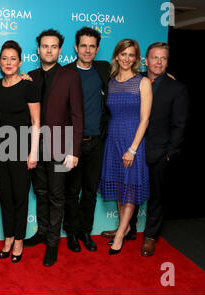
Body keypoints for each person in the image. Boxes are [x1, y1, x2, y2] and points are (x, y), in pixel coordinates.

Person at [23, 29, 84, 266]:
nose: (49, 50)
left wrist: (74, 150)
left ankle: (52, 243)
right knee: (41, 192)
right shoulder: (30, 77)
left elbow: (78, 116)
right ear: (38, 50)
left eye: (54, 46)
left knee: (57, 196)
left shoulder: (71, 77)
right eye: (45, 46)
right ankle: (41, 232)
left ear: (60, 50)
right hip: (35, 146)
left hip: (61, 146)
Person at [99, 39, 152, 255]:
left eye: (131, 55)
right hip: (113, 139)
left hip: (133, 140)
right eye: (123, 54)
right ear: (117, 56)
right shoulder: (110, 81)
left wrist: (133, 149)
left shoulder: (143, 82)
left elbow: (145, 119)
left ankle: (120, 234)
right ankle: (125, 225)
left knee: (129, 187)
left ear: (136, 59)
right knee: (121, 186)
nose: (127, 59)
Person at [63, 27, 111, 252]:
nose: (88, 50)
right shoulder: (64, 73)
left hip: (96, 142)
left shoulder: (103, 70)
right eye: (83, 45)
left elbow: (128, 75)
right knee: (71, 193)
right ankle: (71, 234)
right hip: (72, 144)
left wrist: (155, 78)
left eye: (92, 46)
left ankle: (85, 232)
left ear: (97, 49)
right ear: (76, 47)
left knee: (90, 192)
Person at [0, 40, 40, 263]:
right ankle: (8, 237)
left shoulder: (28, 85)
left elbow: (36, 121)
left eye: (13, 58)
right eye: (4, 58)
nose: (8, 62)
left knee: (21, 198)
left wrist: (33, 153)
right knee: (5, 197)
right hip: (0, 149)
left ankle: (19, 240)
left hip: (23, 148)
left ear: (20, 62)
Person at [141, 42, 189, 257]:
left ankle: (150, 236)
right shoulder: (136, 79)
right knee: (130, 190)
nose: (159, 62)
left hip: (159, 151)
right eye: (155, 58)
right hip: (134, 148)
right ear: (146, 60)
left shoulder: (176, 88)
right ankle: (127, 229)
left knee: (157, 196)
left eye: (164, 58)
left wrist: (170, 152)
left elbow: (180, 123)